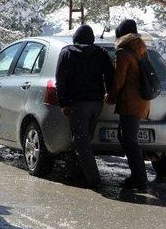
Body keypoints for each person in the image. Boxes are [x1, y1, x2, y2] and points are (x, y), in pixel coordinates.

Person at [56, 24, 113, 190]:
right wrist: (109, 93)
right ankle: (73, 174)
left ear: (76, 38)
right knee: (84, 139)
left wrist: (64, 102)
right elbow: (109, 74)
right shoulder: (100, 53)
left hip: (78, 103)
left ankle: (94, 180)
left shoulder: (66, 53)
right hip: (96, 103)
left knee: (81, 141)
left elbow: (61, 80)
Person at [105, 19, 150, 192]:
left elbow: (118, 81)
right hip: (141, 101)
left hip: (131, 102)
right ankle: (137, 176)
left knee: (129, 140)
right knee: (125, 136)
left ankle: (140, 179)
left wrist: (110, 96)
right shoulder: (141, 48)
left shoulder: (124, 53)